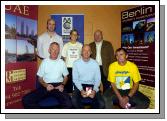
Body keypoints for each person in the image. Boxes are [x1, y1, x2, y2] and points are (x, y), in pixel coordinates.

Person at [22, 42, 72, 109]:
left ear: (59, 51)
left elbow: (66, 77)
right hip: (45, 86)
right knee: (26, 100)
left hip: (58, 86)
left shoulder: (62, 62)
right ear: (49, 50)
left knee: (69, 103)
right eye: (53, 49)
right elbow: (40, 78)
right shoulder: (44, 62)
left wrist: (62, 85)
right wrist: (46, 85)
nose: (55, 51)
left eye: (57, 50)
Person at [72, 44, 105, 109]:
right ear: (81, 52)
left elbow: (98, 79)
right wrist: (81, 90)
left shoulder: (95, 63)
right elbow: (75, 79)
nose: (86, 52)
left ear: (91, 52)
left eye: (88, 50)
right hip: (80, 86)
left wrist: (94, 91)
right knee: (74, 101)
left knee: (101, 104)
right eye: (84, 50)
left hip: (92, 86)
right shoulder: (76, 63)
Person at [62, 29, 83, 94]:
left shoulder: (80, 45)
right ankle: (69, 98)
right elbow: (64, 57)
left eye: (76, 34)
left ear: (77, 36)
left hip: (78, 68)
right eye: (73, 34)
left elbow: (82, 57)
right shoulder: (66, 45)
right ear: (70, 35)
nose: (74, 36)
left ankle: (77, 97)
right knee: (68, 85)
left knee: (77, 84)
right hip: (68, 68)